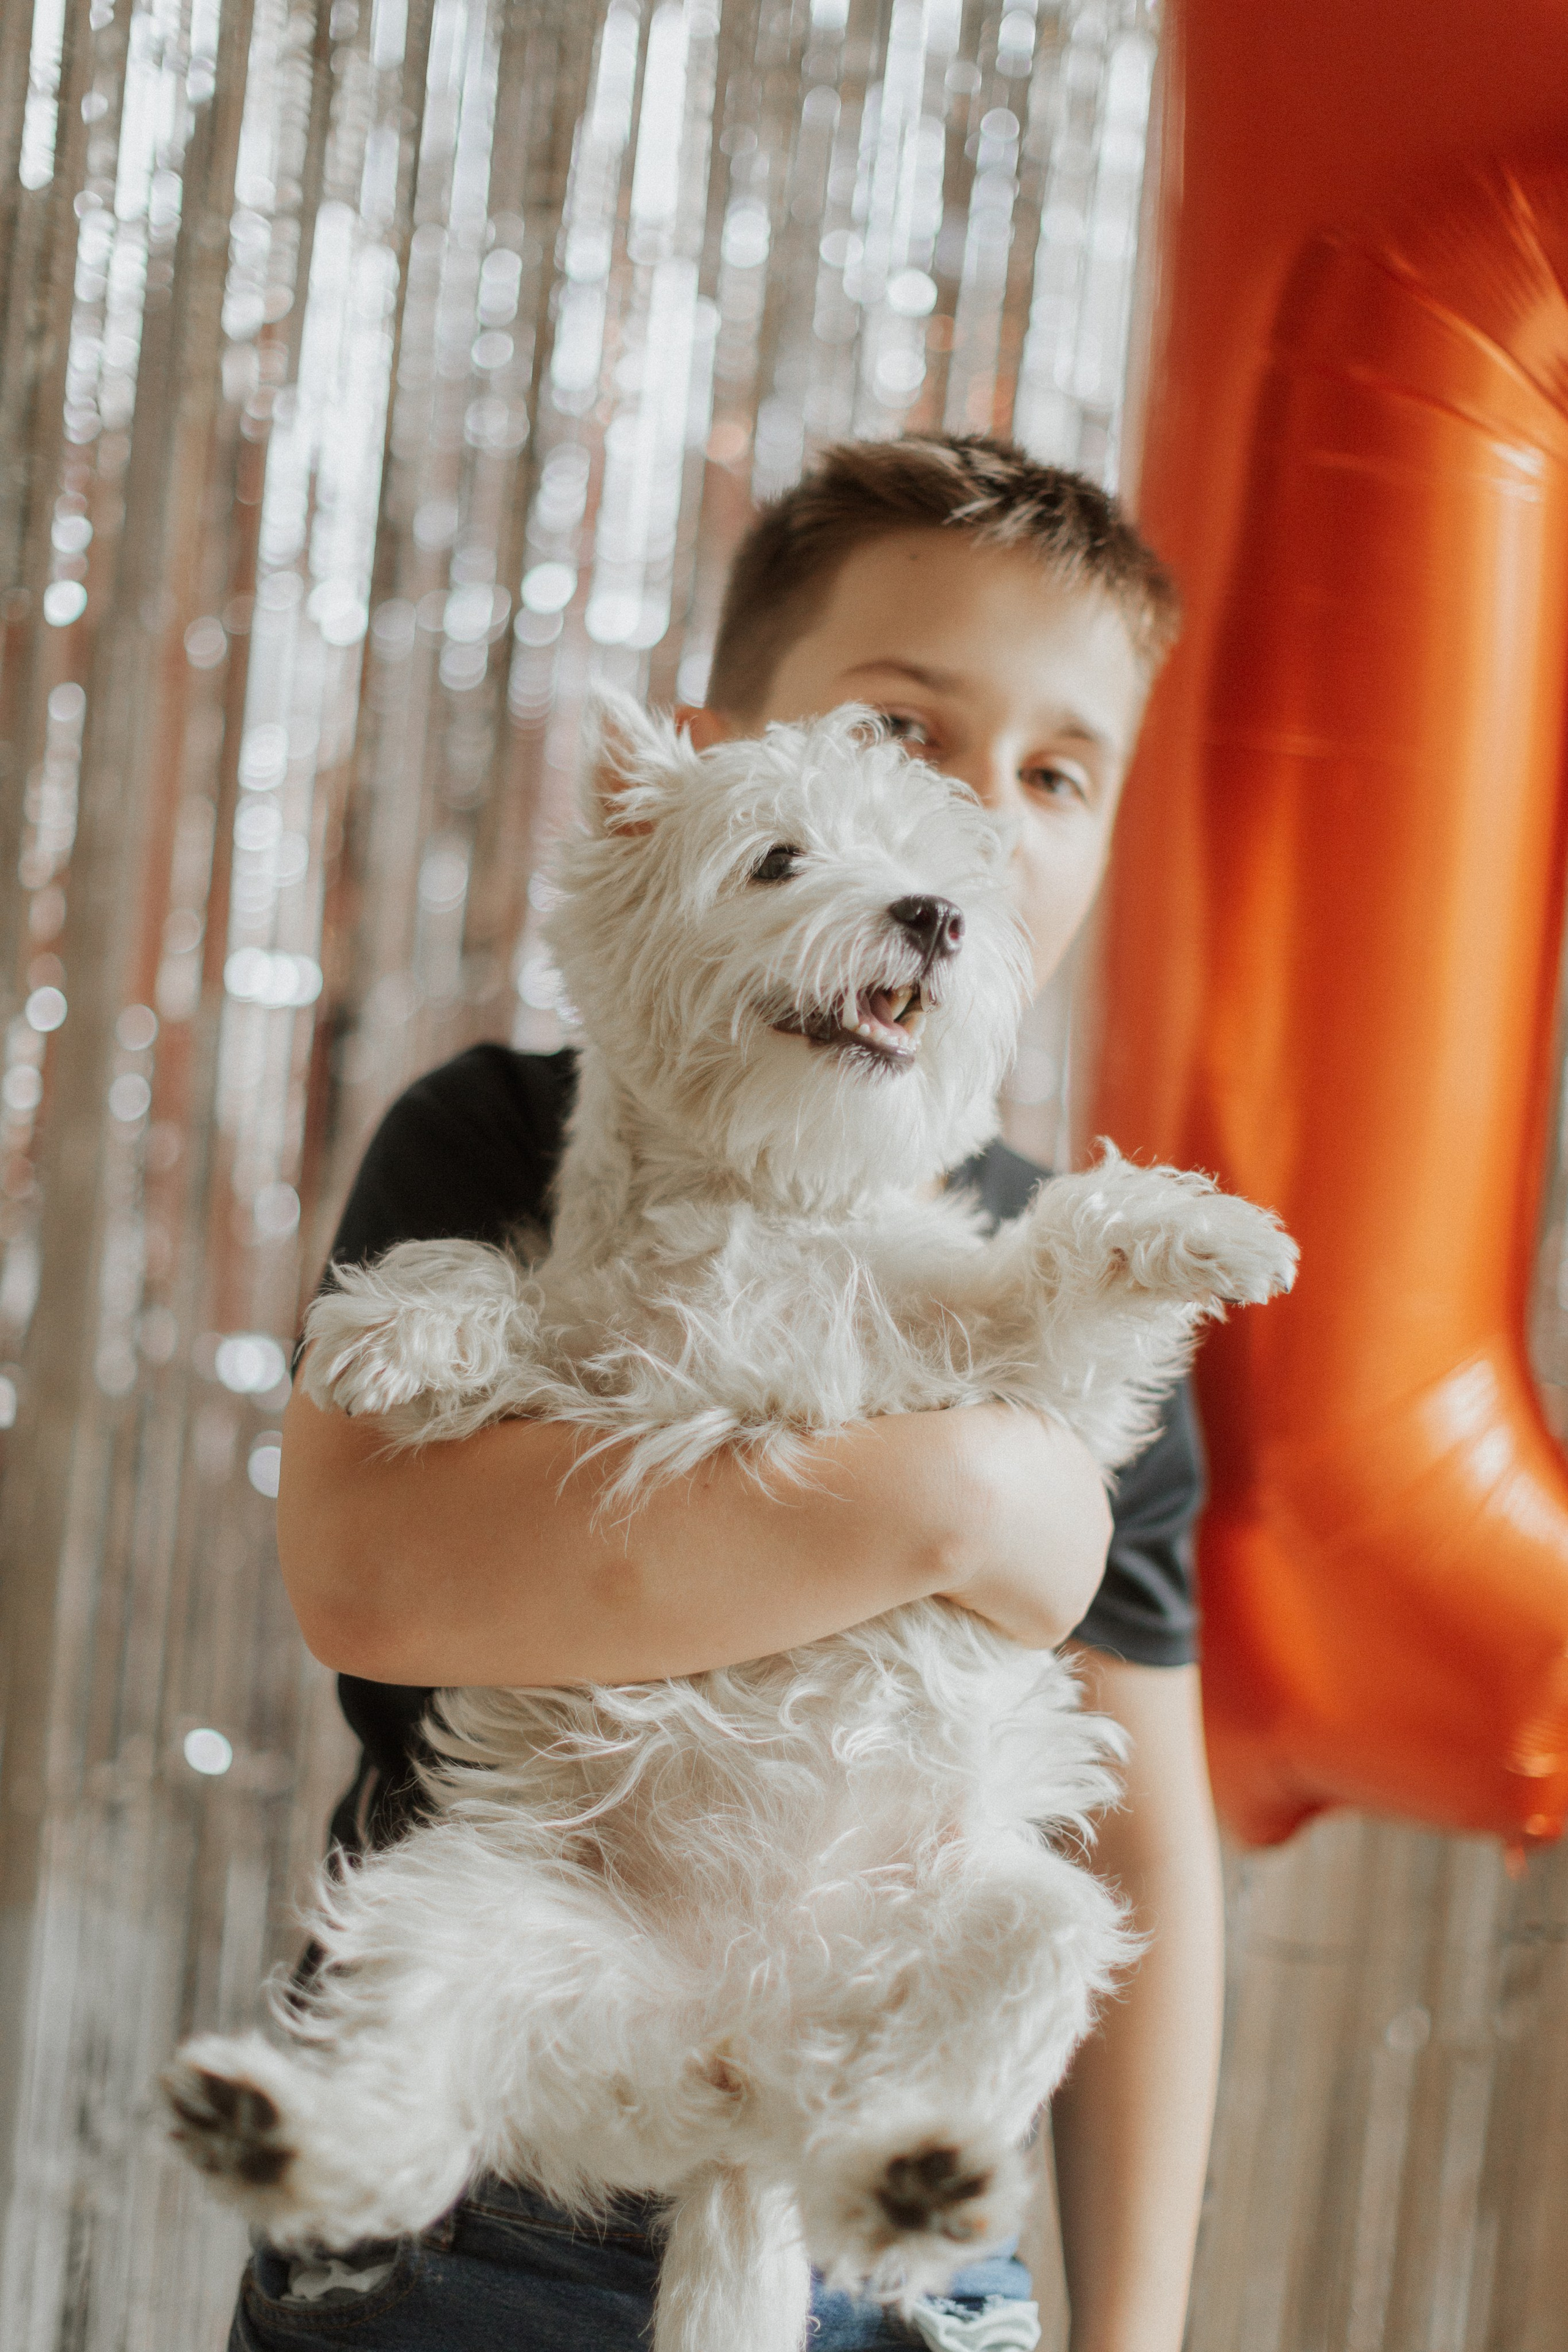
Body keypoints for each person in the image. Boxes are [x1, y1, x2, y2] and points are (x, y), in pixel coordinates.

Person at [243, 434, 1215, 2352]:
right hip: (485, 2214)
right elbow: (381, 1576)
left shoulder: (1061, 1265)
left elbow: (1139, 1843)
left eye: (1054, 775)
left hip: (902, 2234)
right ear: (692, 782)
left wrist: (1140, 2331)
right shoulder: (498, 1139)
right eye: (903, 735)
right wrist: (963, 1505)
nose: (973, 821)